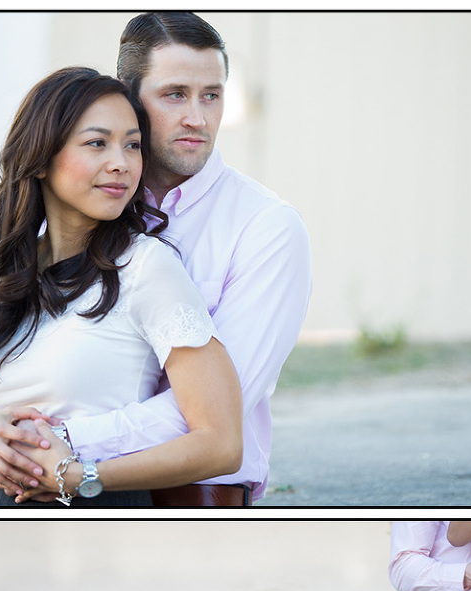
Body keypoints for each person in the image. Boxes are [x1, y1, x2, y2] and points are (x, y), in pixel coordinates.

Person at [0, 64, 242, 505]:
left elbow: (222, 443)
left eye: (133, 145)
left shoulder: (145, 267)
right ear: (40, 157)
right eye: (97, 143)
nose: (121, 163)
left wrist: (81, 476)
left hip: (104, 508)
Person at [114, 10, 312, 505]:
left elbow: (214, 409)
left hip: (191, 498)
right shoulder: (88, 211)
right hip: (63, 486)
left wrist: (66, 444)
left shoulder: (267, 227)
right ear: (127, 100)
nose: (197, 119)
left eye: (212, 95)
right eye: (175, 94)